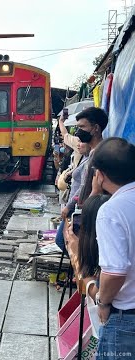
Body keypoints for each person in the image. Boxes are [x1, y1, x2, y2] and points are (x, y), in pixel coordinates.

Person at [90, 137, 135, 359]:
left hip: (127, 317)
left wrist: (103, 302)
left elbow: (115, 272)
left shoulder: (111, 210)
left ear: (101, 174)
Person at [61, 107, 108, 220]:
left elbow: (94, 190)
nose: (78, 132)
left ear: (95, 128)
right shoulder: (91, 153)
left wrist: (80, 211)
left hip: (85, 212)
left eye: (82, 127)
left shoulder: (99, 155)